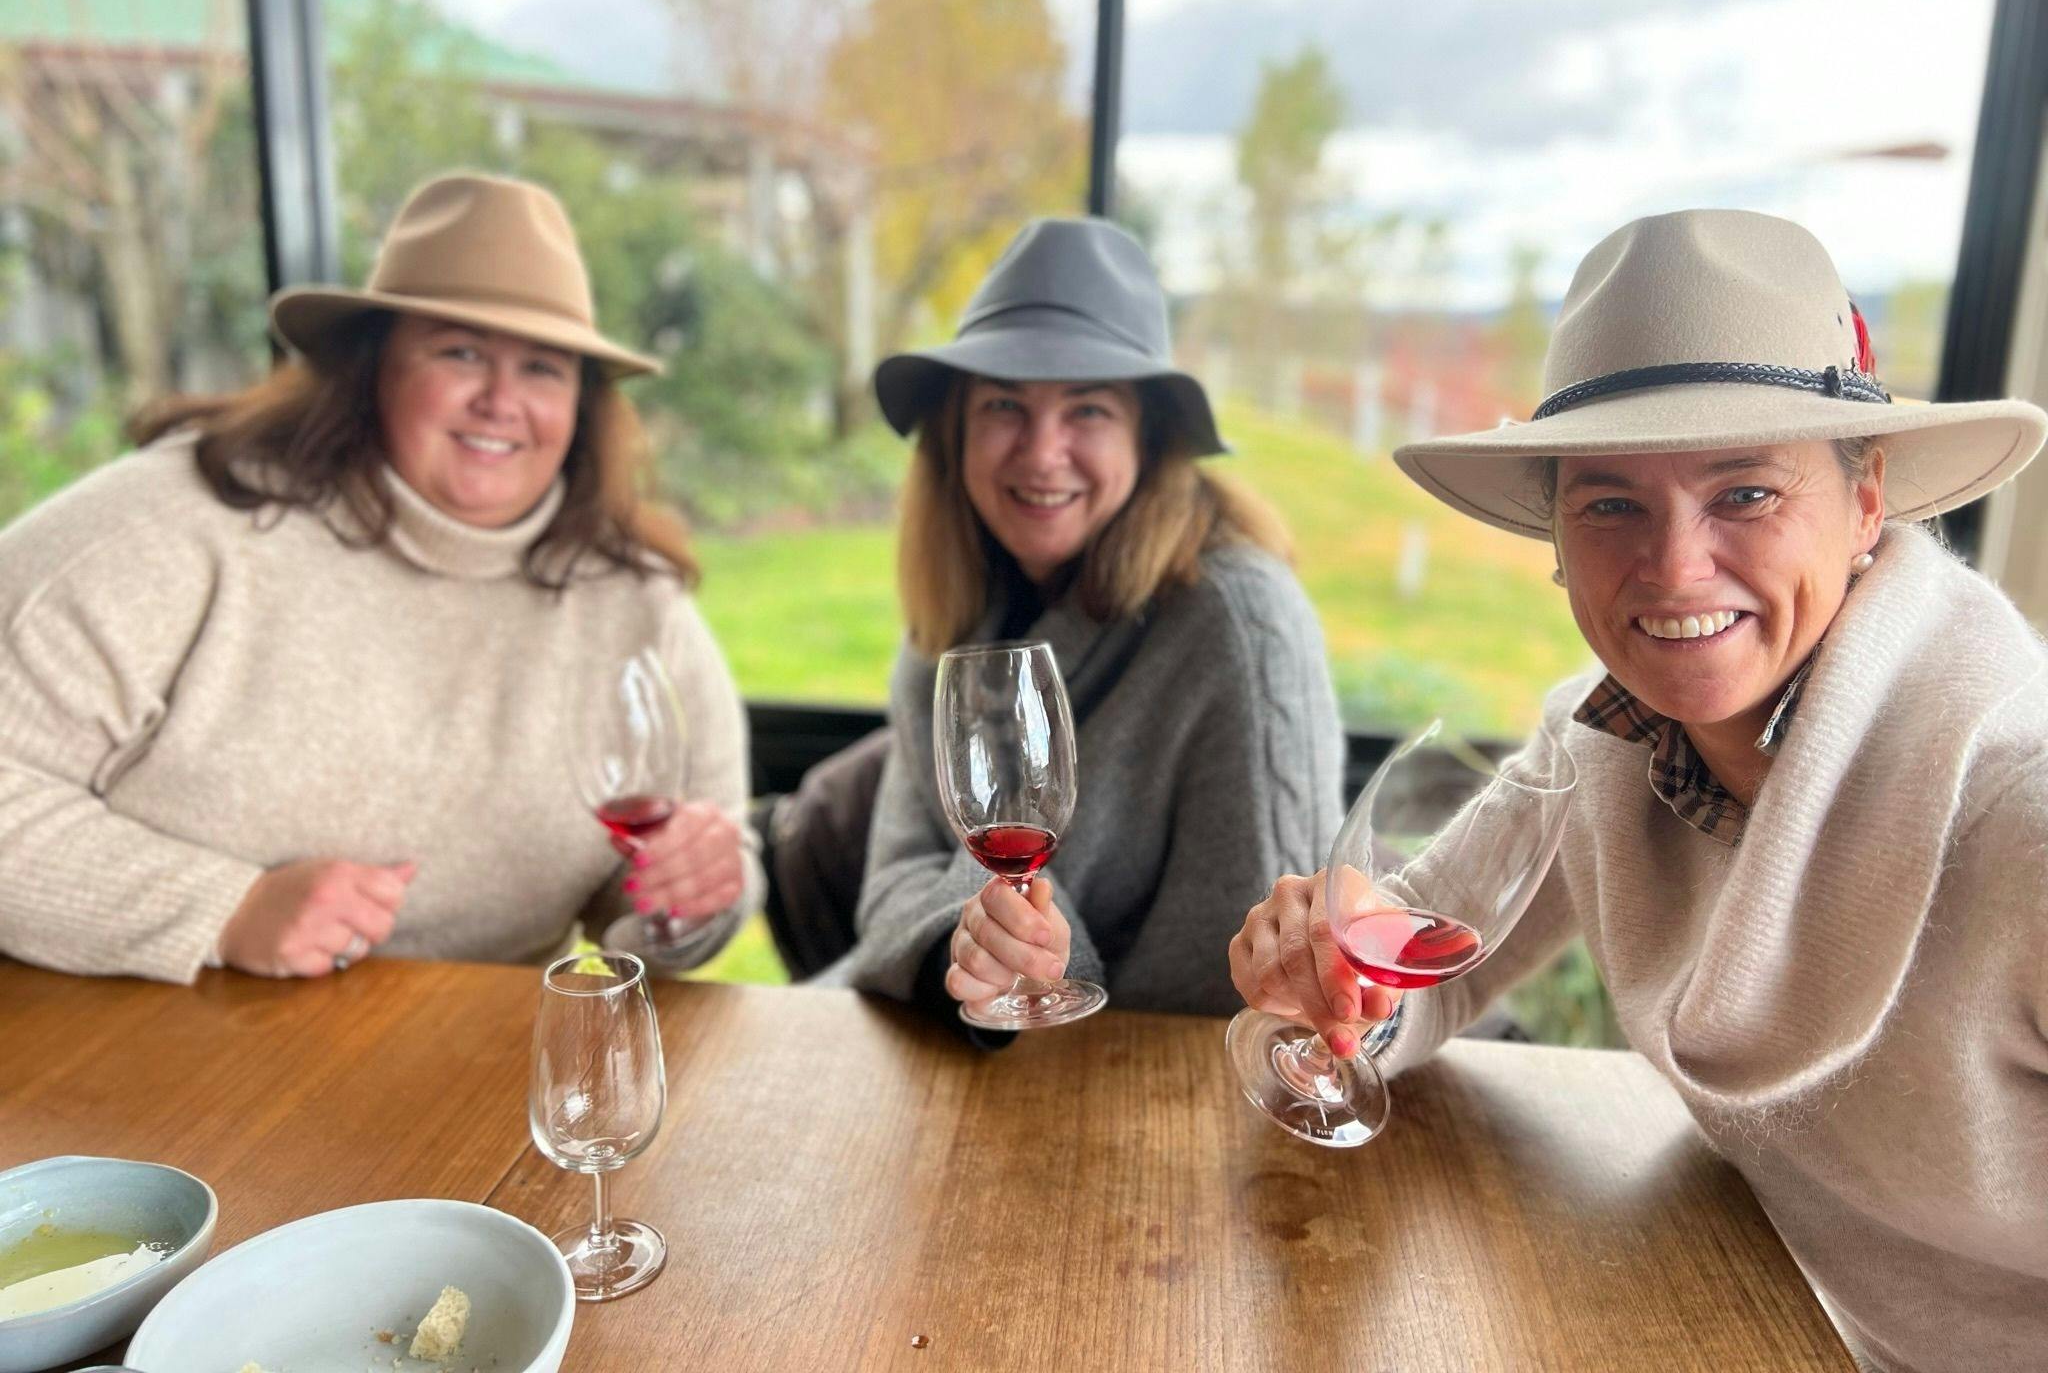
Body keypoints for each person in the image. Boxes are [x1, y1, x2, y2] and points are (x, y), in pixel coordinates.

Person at [1228, 209, 2048, 1372]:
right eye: (1609, 503)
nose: (1672, 567)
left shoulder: (2024, 811)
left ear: (1867, 503)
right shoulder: (1599, 737)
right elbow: (1422, 974)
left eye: (1745, 494)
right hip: (1779, 1326)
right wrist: (1329, 984)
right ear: (1555, 537)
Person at [0, 172, 760, 983]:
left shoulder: (633, 600)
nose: (502, 400)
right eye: (460, 351)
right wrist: (223, 909)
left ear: (583, 405)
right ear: (372, 367)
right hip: (115, 1056)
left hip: (464, 1069)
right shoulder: (172, 525)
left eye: (544, 368)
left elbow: (658, 917)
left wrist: (695, 898)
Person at [827, 216, 1345, 1024]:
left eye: (1088, 411)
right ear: (954, 435)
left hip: (1169, 1090)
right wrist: (976, 941)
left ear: (1149, 437)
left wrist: (1047, 952)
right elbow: (891, 886)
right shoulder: (948, 627)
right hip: (991, 1075)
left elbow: (1275, 982)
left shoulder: (1241, 624)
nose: (1041, 452)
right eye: (1004, 405)